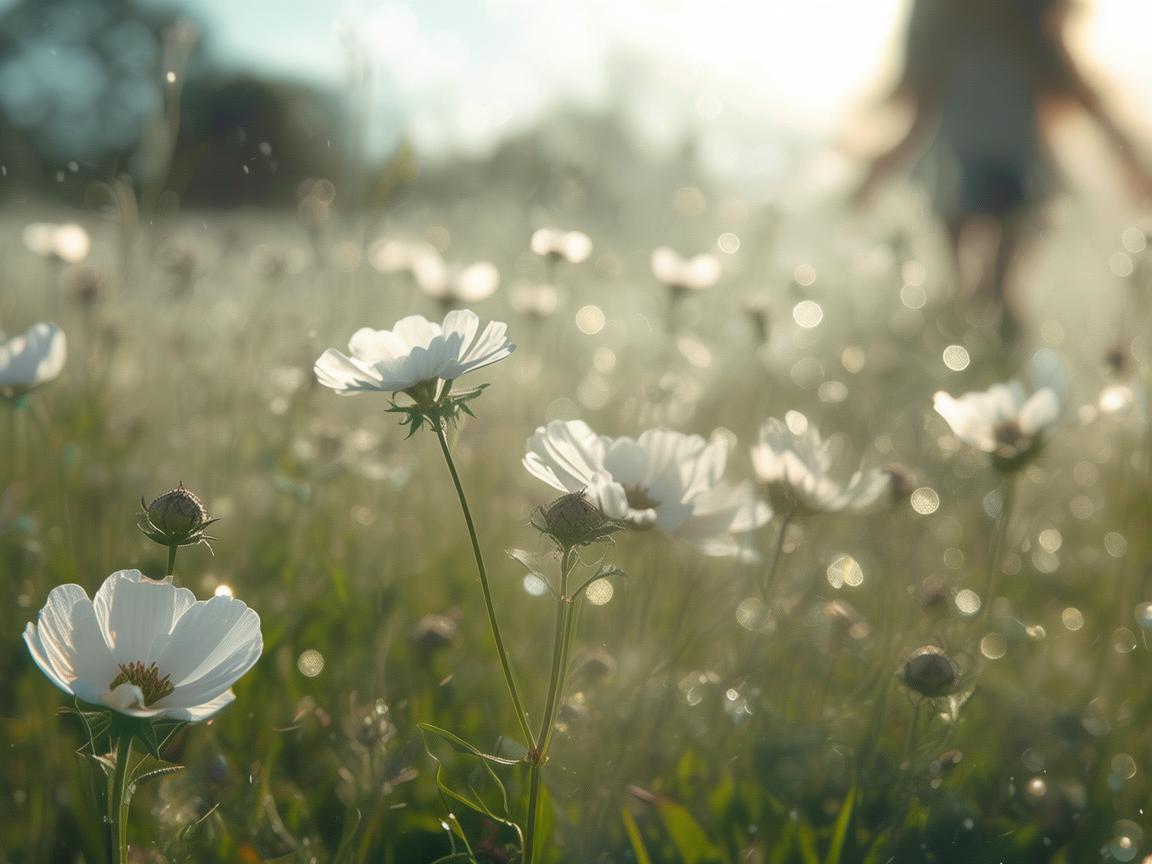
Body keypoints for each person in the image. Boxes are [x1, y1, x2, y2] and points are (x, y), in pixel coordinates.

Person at [854, 0, 1151, 335]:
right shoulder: (945, 28)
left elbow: (1083, 96)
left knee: (996, 288)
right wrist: (870, 178)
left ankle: (987, 349)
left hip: (1011, 173)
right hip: (959, 171)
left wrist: (1129, 158)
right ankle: (966, 349)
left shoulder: (1028, 30)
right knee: (960, 286)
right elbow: (919, 113)